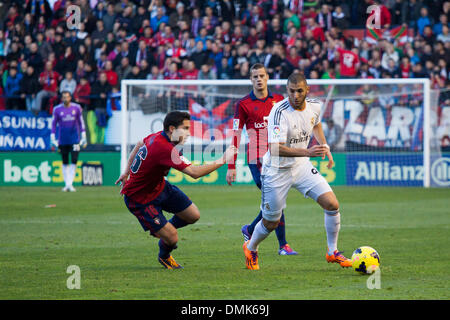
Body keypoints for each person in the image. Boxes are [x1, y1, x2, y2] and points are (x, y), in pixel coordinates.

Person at [242, 72, 352, 270]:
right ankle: (251, 247)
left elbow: (315, 124)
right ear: (287, 91)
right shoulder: (279, 112)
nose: (295, 95)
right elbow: (274, 148)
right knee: (271, 222)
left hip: (300, 166)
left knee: (332, 204)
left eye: (299, 91)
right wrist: (308, 151)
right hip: (276, 170)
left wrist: (325, 147)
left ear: (307, 90)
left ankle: (332, 251)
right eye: (291, 91)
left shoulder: (315, 106)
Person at [115, 111, 237, 269]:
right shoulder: (165, 148)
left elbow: (138, 145)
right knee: (172, 239)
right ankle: (164, 254)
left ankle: (162, 230)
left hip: (160, 187)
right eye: (185, 128)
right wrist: (223, 159)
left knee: (193, 215)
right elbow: (195, 173)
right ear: (172, 129)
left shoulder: (157, 136)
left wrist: (126, 172)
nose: (189, 133)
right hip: (140, 199)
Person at [226, 63, 298, 256]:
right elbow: (236, 134)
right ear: (251, 79)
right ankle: (282, 245)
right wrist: (231, 166)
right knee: (276, 197)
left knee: (276, 199)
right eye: (255, 76)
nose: (259, 79)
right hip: (255, 157)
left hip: (277, 156)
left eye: (262, 76)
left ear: (268, 78)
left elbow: (290, 125)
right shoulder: (243, 104)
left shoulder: (279, 100)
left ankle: (250, 230)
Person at [50, 91, 87, 192]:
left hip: (75, 140)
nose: (65, 99)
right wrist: (52, 137)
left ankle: (69, 184)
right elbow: (53, 124)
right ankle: (67, 184)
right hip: (63, 140)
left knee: (74, 161)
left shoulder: (76, 108)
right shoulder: (57, 109)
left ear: (70, 98)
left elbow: (81, 122)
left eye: (67, 97)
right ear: (61, 99)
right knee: (65, 161)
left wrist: (83, 136)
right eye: (64, 97)